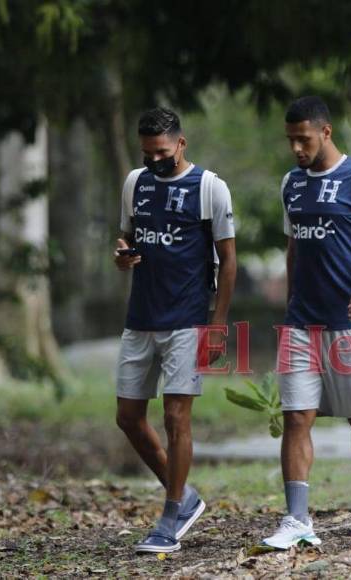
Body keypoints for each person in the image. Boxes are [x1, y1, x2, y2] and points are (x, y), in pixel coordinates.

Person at [261, 96, 351, 549]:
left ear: (326, 132)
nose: (296, 148)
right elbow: (294, 247)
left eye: (303, 139)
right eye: (290, 141)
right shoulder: (291, 183)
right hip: (302, 321)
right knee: (296, 418)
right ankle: (297, 519)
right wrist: (288, 299)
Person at [113, 107, 237, 553]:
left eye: (161, 152)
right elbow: (126, 236)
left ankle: (169, 519)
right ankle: (184, 495)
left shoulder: (209, 187)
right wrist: (122, 254)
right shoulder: (135, 183)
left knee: (176, 416)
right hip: (140, 316)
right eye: (147, 153)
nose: (153, 161)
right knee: (128, 417)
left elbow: (228, 259)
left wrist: (218, 324)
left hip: (187, 319)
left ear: (180, 145)